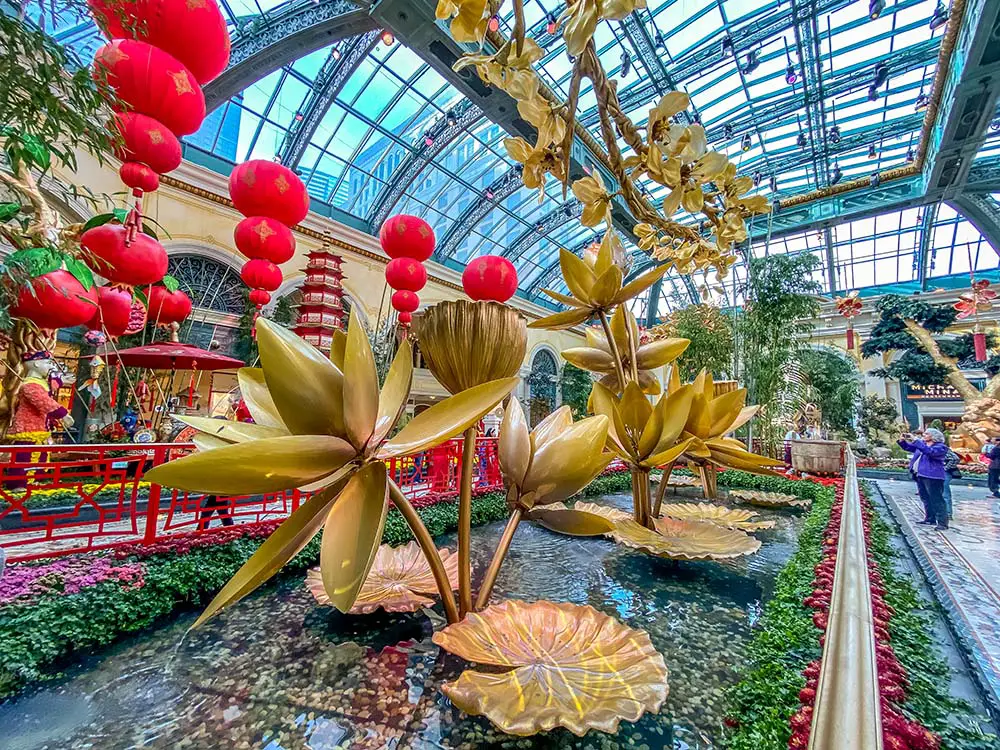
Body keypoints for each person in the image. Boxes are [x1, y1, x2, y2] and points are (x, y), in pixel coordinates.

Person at [897, 428, 949, 530]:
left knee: (936, 499)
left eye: (926, 434)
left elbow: (929, 452)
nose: (924, 435)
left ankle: (943, 523)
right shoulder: (922, 445)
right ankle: (930, 518)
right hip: (921, 475)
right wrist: (902, 441)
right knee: (925, 498)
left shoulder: (940, 447)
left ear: (933, 437)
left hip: (933, 476)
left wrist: (916, 440)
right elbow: (908, 447)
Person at [942, 446, 960, 520]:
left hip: (944, 473)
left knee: (945, 493)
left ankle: (948, 513)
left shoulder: (942, 448)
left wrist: (945, 468)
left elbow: (955, 458)